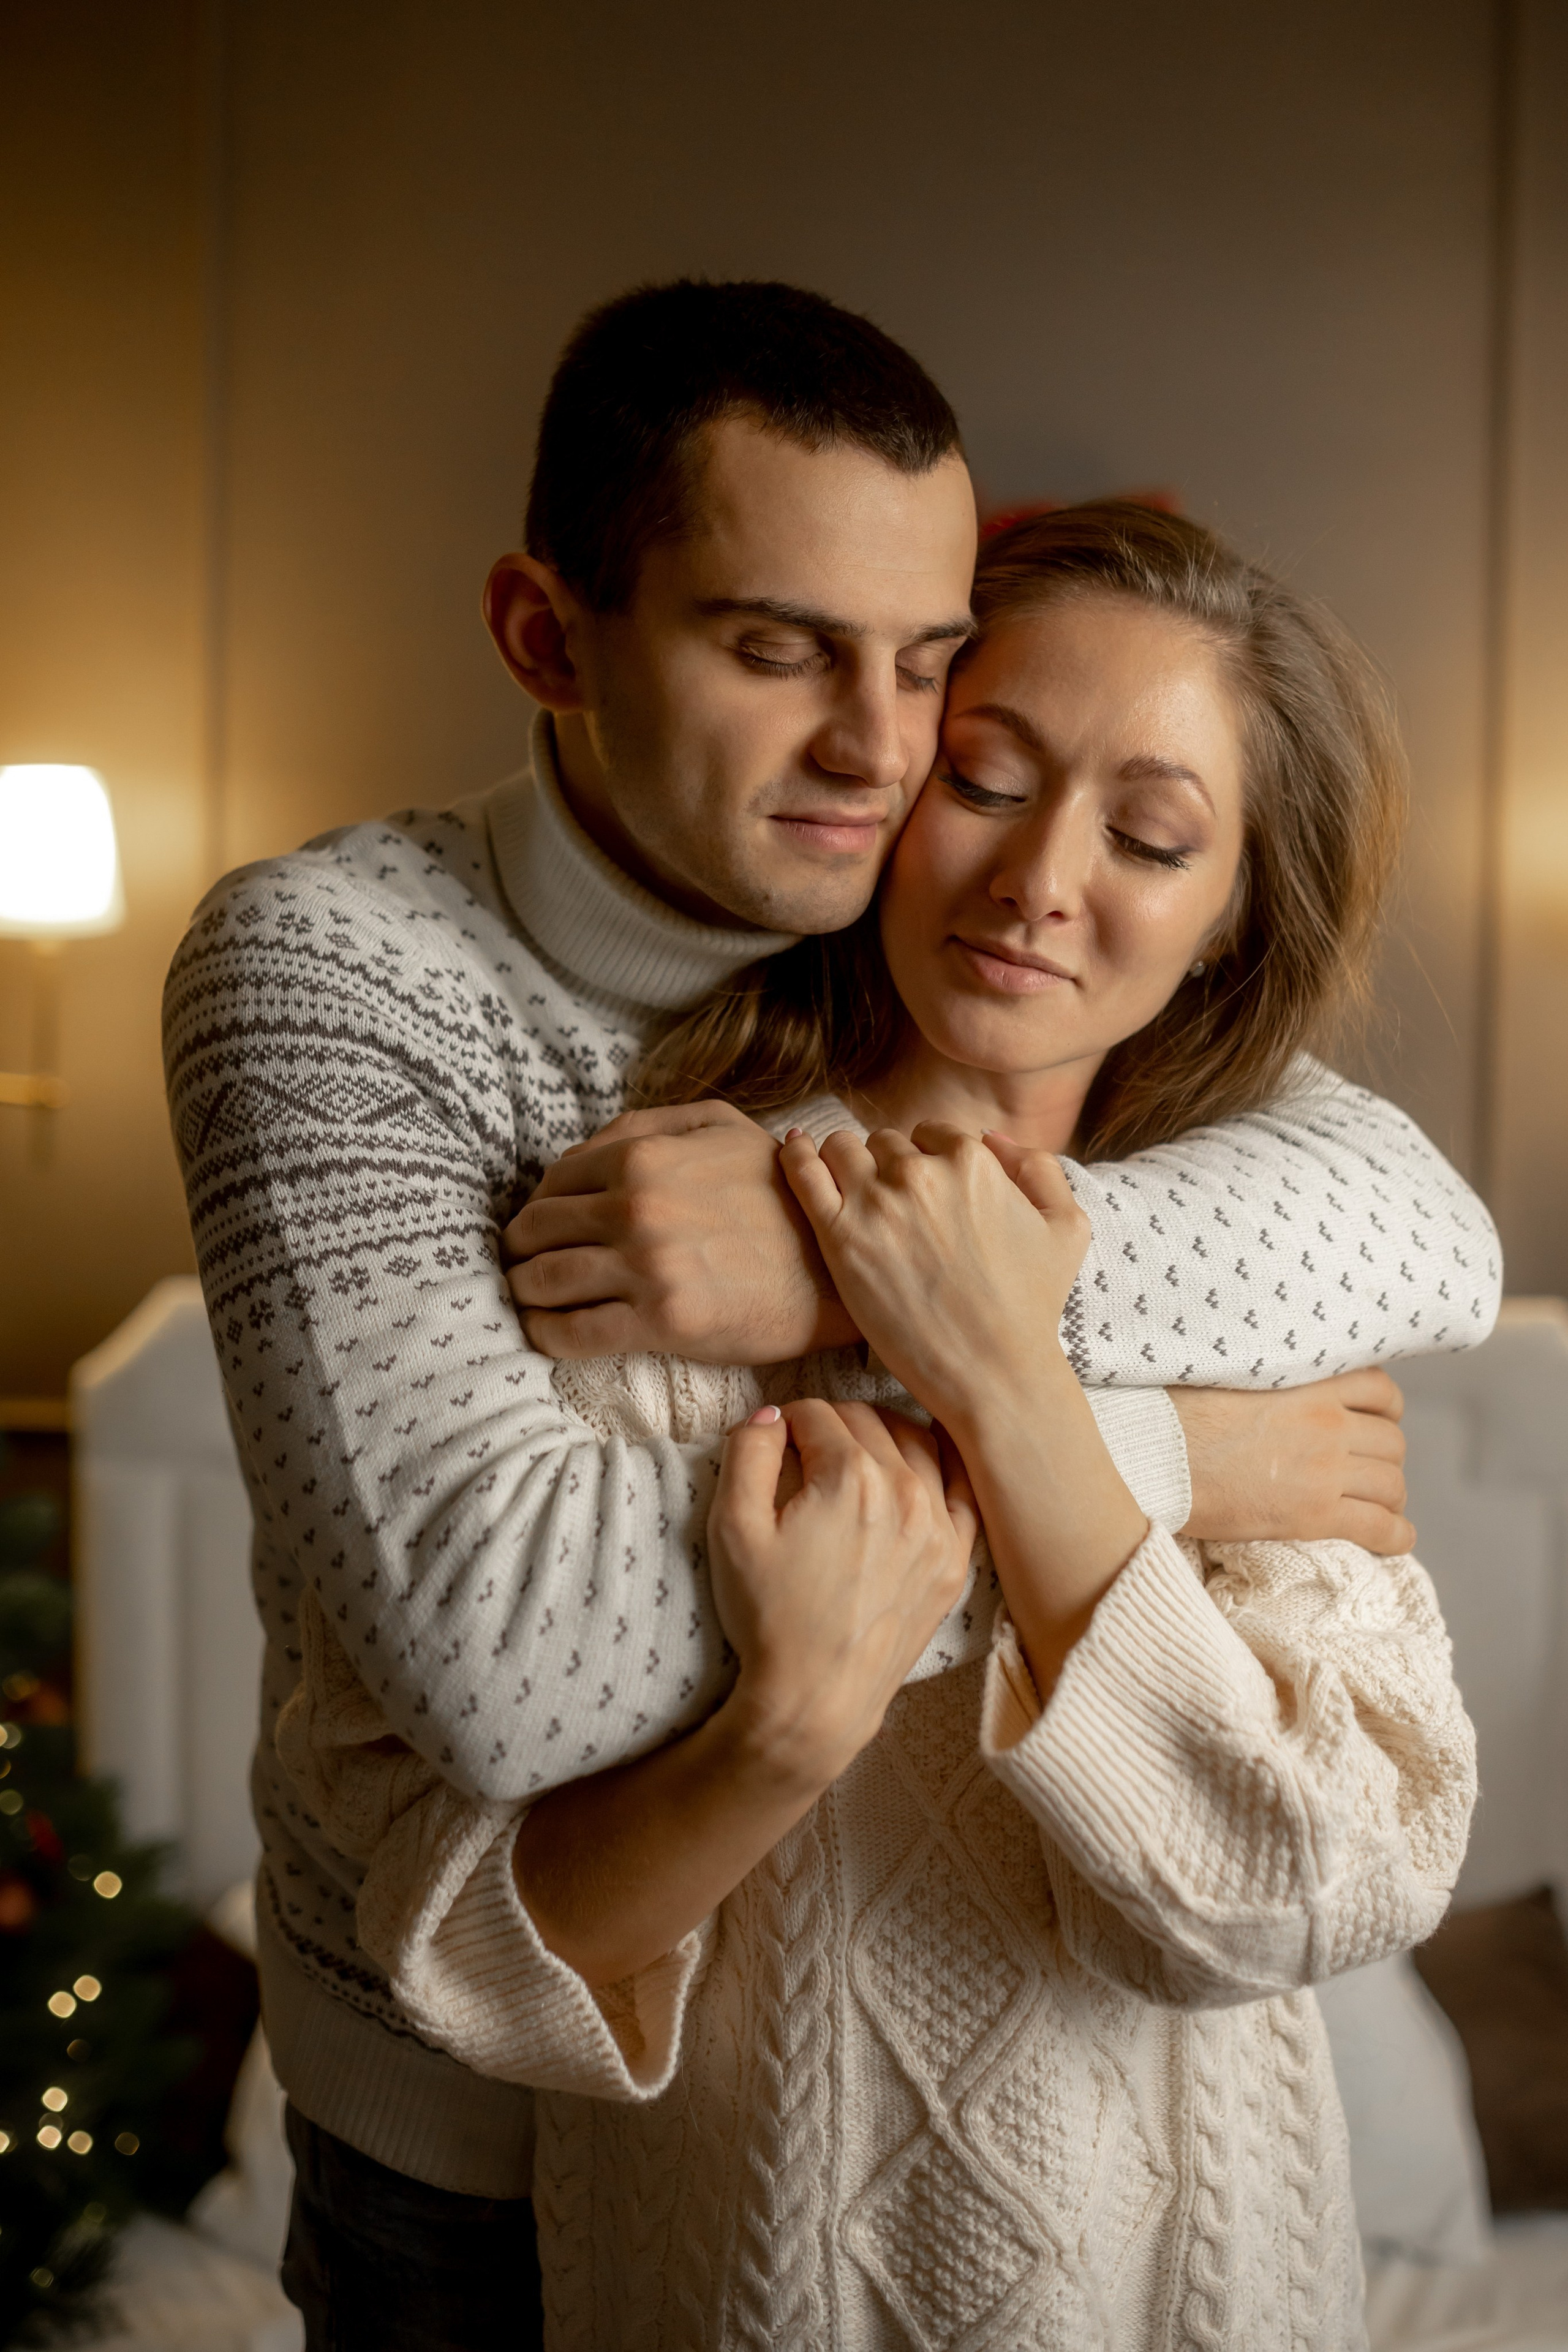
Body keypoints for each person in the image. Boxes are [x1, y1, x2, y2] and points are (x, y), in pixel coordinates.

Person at [162, 281, 1495, 2351]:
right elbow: (503, 1695)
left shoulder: (1234, 1212)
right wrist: (1162, 1455)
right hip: (505, 2175)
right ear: (547, 638)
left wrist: (901, 1286)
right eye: (778, 650)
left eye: (929, 666)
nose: (878, 755)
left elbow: (1437, 1236)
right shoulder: (371, 993)